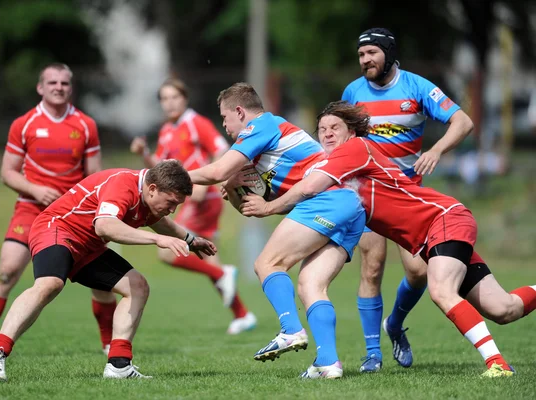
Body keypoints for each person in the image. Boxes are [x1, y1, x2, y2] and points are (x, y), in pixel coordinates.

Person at [241, 101, 536, 378]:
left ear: (352, 132)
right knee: (504, 309)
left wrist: (267, 207)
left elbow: (309, 188)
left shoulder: (355, 148)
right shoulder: (335, 164)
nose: (327, 133)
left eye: (335, 127)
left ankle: (498, 365)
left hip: (442, 219)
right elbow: (307, 196)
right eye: (322, 129)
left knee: (441, 290)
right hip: (431, 237)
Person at [188, 83, 366, 379]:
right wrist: (233, 190)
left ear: (240, 112)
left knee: (266, 263)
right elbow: (256, 208)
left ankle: (291, 330)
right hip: (351, 205)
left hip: (328, 198)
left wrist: (170, 175)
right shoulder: (266, 154)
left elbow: (216, 171)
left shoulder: (262, 125)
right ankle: (328, 364)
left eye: (225, 117)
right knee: (311, 285)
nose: (224, 125)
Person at [0, 161, 217, 381]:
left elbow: (159, 221)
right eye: (171, 202)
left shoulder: (149, 198)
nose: (173, 209)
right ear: (152, 188)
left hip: (88, 247)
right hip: (57, 229)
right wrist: (158, 241)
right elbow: (105, 226)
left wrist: (190, 239)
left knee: (138, 287)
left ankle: (119, 365)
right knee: (50, 284)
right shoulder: (123, 184)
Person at [0, 63, 117, 357]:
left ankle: (108, 344)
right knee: (7, 270)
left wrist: (93, 210)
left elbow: (95, 176)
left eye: (64, 83)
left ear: (71, 88)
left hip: (73, 215)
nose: (58, 87)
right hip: (31, 209)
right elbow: (8, 173)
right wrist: (36, 190)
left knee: (103, 283)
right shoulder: (24, 124)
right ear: (40, 87)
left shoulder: (85, 125)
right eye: (52, 82)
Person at [342, 28, 475, 372]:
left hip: (407, 193)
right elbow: (341, 141)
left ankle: (395, 324)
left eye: (371, 52)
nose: (365, 60)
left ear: (388, 52)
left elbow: (463, 121)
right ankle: (372, 354)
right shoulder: (353, 93)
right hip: (367, 193)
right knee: (371, 267)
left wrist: (435, 150)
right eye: (360, 55)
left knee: (418, 272)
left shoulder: (416, 87)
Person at [130, 78, 256, 334]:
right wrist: (144, 153)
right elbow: (164, 168)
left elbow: (221, 151)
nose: (169, 103)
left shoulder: (195, 122)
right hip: (191, 197)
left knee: (168, 252)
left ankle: (223, 275)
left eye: (174, 97)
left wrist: (203, 185)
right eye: (164, 98)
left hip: (202, 199)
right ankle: (242, 315)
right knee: (207, 255)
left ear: (184, 98)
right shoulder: (167, 130)